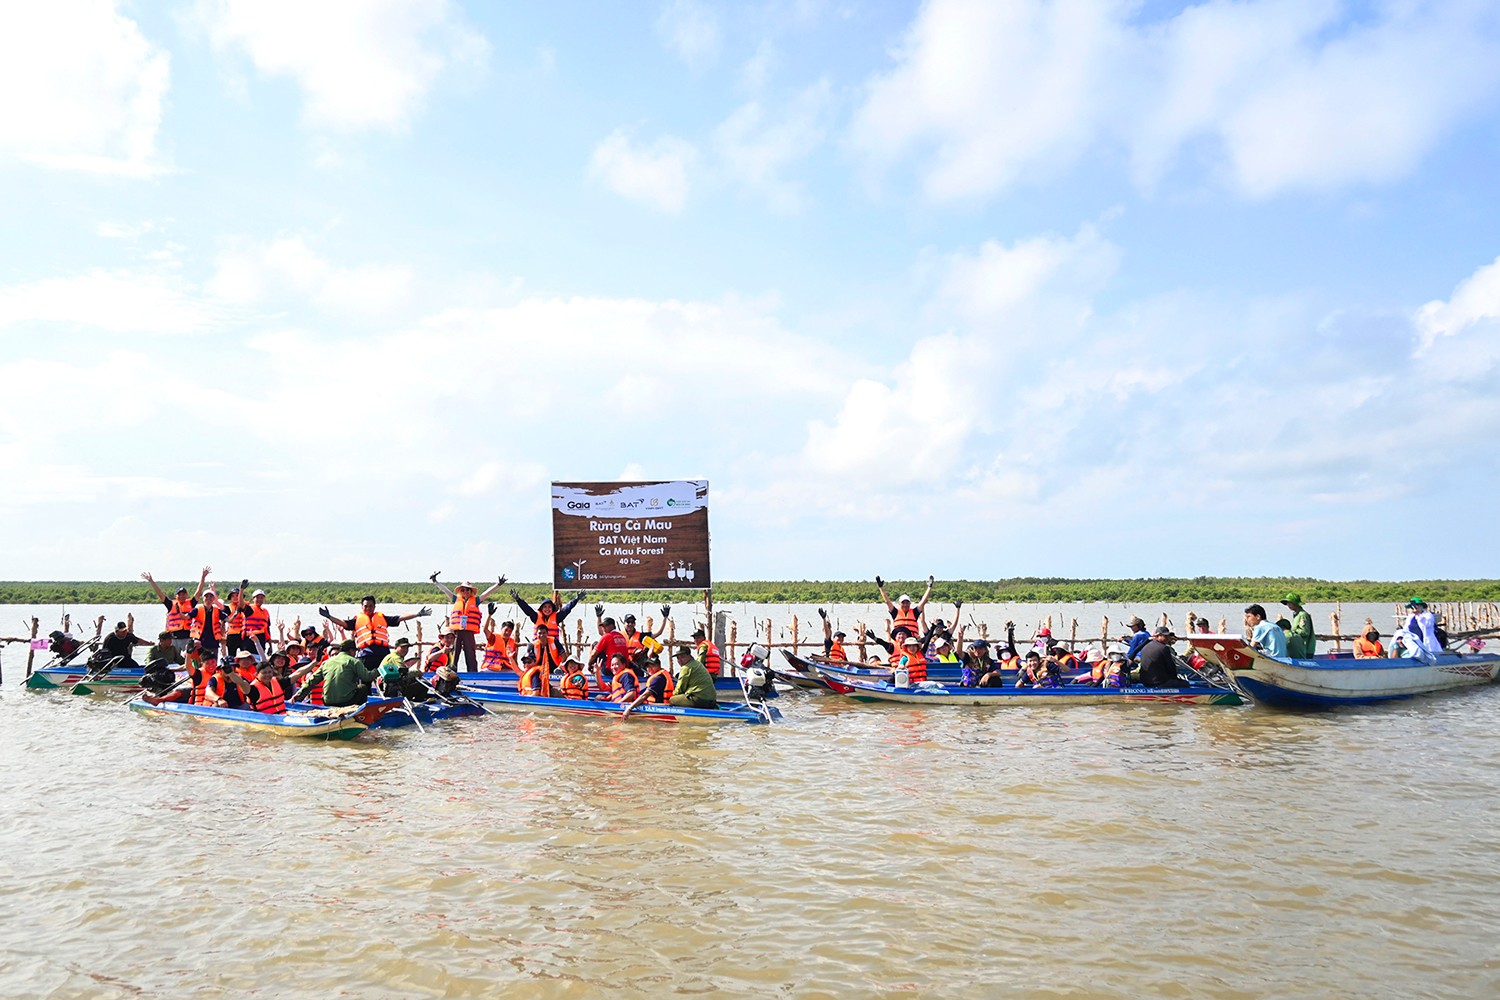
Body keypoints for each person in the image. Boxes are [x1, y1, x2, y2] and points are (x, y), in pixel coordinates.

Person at [319, 596, 431, 669]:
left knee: (387, 677)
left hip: (382, 653)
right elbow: (343, 623)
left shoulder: (382, 618)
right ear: (362, 607)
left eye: (370, 606)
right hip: (365, 654)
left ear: (374, 606)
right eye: (365, 606)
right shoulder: (357, 620)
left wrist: (418, 614)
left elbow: (400, 618)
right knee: (365, 680)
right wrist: (329, 616)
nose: (368, 608)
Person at [429, 573, 505, 672]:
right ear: (460, 591)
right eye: (463, 590)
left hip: (469, 631)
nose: (465, 591)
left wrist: (498, 584)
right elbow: (445, 590)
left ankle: (472, 672)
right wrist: (436, 582)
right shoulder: (456, 599)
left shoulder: (476, 600)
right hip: (457, 631)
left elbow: (487, 593)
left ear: (471, 591)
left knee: (470, 653)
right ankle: (452, 669)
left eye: (467, 589)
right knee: (455, 651)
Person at [293, 639, 379, 707]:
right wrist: (378, 671)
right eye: (355, 651)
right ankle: (358, 712)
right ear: (352, 651)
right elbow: (367, 677)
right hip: (346, 701)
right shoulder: (354, 661)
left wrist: (297, 695)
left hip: (327, 701)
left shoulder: (326, 662)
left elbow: (311, 681)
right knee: (363, 688)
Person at [142, 567, 209, 651]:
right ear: (176, 596)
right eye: (179, 594)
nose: (182, 596)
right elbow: (160, 593)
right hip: (173, 638)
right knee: (173, 658)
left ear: (186, 595)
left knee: (188, 658)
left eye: (184, 594)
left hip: (187, 637)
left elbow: (199, 592)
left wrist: (203, 577)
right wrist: (151, 581)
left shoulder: (191, 603)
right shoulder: (170, 604)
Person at [512, 588, 585, 664]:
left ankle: (559, 668)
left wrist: (576, 599)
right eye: (545, 607)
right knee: (530, 646)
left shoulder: (557, 617)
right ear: (541, 608)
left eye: (549, 607)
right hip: (538, 646)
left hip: (553, 647)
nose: (547, 609)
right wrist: (518, 600)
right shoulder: (536, 617)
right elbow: (527, 609)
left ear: (552, 609)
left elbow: (567, 609)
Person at [877, 574, 934, 639]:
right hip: (900, 639)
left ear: (910, 603)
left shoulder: (914, 612)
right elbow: (887, 601)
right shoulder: (895, 612)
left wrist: (929, 587)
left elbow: (923, 601)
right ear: (899, 603)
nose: (905, 605)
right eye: (903, 603)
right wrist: (880, 587)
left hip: (913, 639)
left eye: (907, 602)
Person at [189, 590, 231, 664]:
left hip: (213, 642)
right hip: (200, 642)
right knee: (199, 663)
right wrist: (179, 612)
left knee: (213, 663)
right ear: (203, 598)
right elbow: (186, 617)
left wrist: (237, 613)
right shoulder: (197, 609)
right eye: (206, 597)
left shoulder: (217, 611)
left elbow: (229, 619)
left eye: (211, 597)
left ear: (213, 599)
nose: (208, 599)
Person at [1280, 592, 1315, 658]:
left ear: (1296, 603)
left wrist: (1290, 632)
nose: (1288, 605)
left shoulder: (1302, 615)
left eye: (1290, 603)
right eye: (1287, 603)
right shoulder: (1296, 614)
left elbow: (1305, 632)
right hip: (1299, 647)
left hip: (1305, 648)